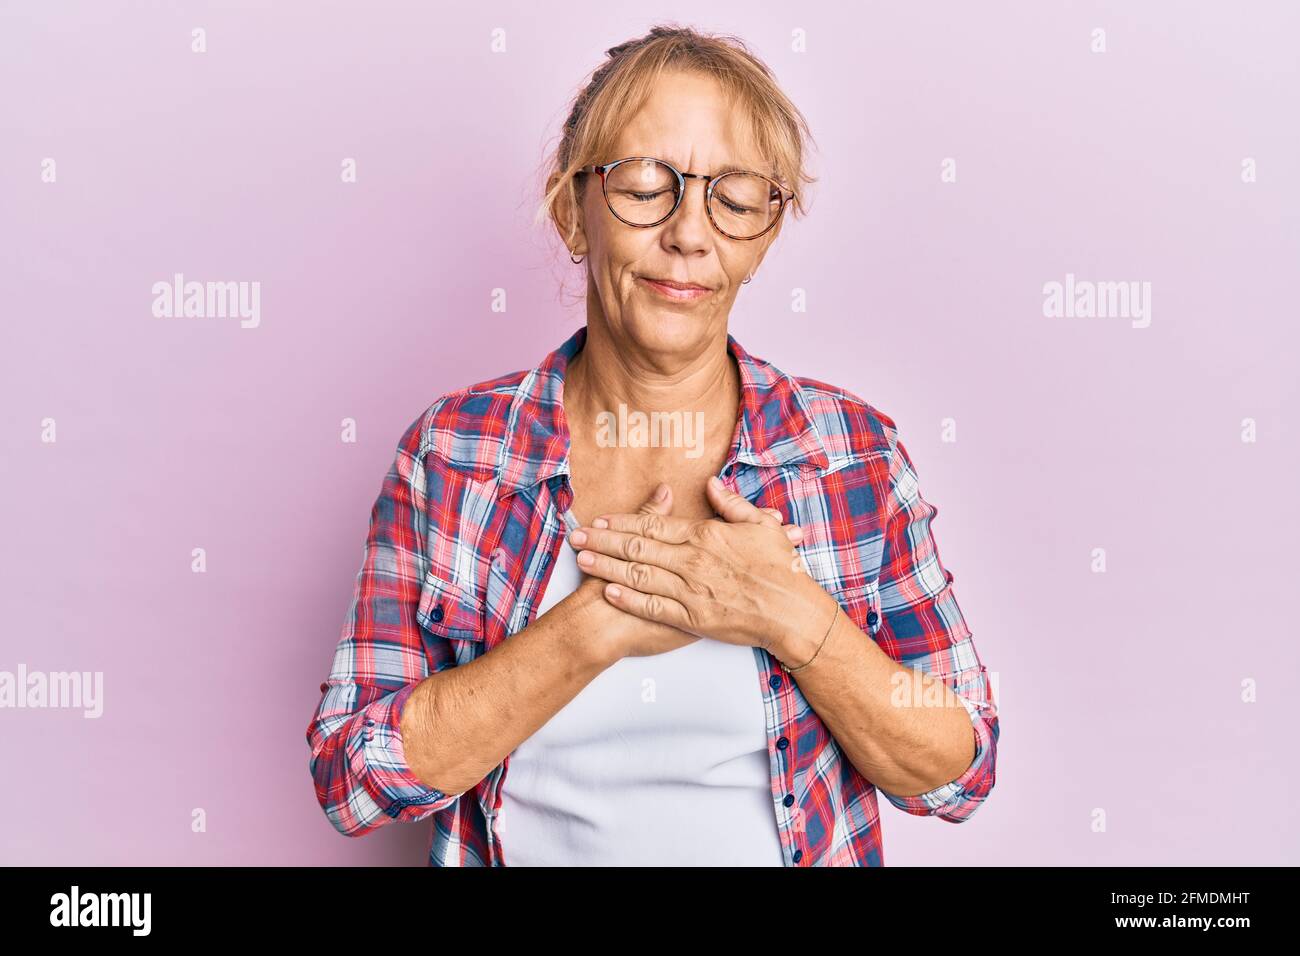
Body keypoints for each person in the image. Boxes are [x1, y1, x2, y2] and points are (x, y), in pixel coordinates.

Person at [306, 24, 998, 866]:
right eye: (643, 186)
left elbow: (960, 769)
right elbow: (352, 781)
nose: (689, 234)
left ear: (764, 235)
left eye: (735, 198)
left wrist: (792, 618)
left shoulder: (849, 455)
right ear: (572, 212)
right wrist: (593, 628)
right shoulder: (453, 456)